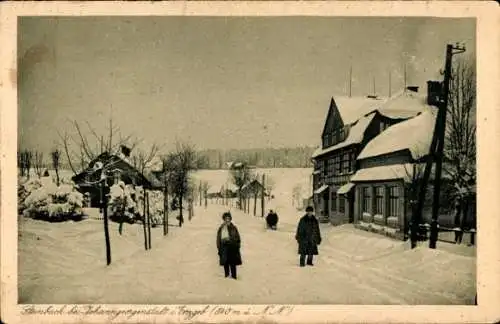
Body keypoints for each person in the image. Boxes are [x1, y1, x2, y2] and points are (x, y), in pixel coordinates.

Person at [216, 212, 242, 279]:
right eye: (226, 218)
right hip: (224, 248)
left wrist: (237, 245)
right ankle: (226, 278)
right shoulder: (221, 228)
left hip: (233, 248)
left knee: (233, 264)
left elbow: (238, 238)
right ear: (224, 219)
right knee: (226, 264)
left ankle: (234, 278)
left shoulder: (234, 228)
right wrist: (219, 248)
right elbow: (218, 239)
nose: (227, 220)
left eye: (228, 218)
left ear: (230, 219)